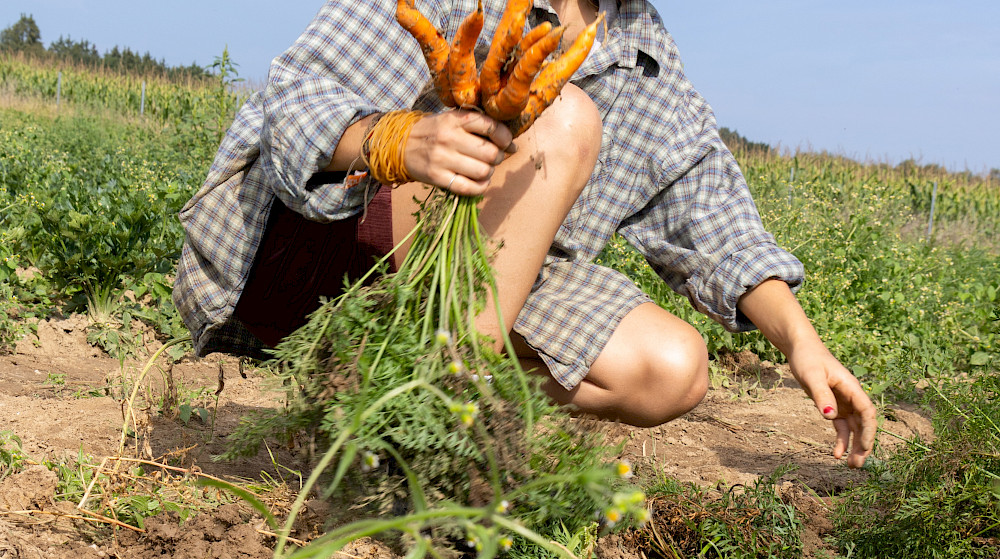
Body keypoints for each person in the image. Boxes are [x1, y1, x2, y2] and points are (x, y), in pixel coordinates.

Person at [173, 0, 876, 468]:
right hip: (313, 249)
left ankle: (386, 400)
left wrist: (802, 342)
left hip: (450, 301)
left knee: (673, 367)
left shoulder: (642, 48)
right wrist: (399, 139)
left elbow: (715, 216)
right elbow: (295, 95)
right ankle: (441, 441)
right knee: (562, 120)